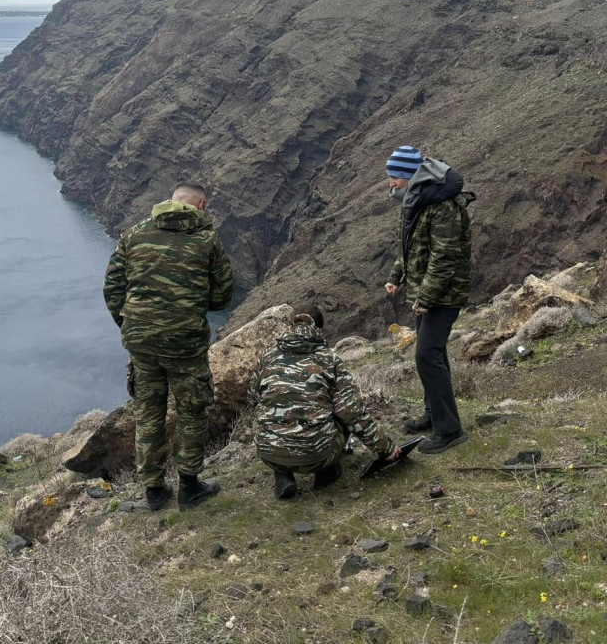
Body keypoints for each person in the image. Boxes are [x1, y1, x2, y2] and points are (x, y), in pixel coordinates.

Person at [103, 183, 234, 511]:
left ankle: (154, 489)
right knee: (191, 409)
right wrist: (190, 305)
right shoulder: (206, 238)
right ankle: (189, 487)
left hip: (141, 343)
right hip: (184, 342)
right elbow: (223, 295)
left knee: (148, 411)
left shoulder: (133, 234)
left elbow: (112, 288)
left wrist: (133, 325)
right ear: (200, 204)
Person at [253, 304, 400, 499]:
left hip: (268, 453)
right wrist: (385, 449)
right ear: (319, 330)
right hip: (316, 456)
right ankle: (326, 473)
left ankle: (283, 475)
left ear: (291, 328)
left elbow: (255, 396)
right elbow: (352, 412)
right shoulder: (329, 359)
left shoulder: (267, 356)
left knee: (276, 410)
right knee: (341, 415)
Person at [383, 145, 474, 454]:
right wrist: (397, 277)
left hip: (443, 293)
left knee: (426, 355)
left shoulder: (442, 205)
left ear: (410, 176)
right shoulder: (418, 200)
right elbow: (411, 247)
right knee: (432, 353)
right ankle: (434, 414)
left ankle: (450, 431)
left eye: (394, 177)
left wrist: (425, 297)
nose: (391, 184)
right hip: (426, 290)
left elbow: (444, 258)